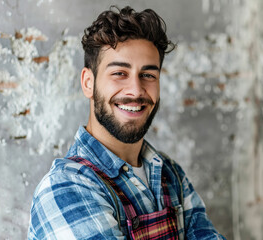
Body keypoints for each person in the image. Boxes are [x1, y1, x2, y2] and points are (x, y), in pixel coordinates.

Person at [28, 6, 226, 240]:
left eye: (148, 75)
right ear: (88, 82)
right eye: (120, 73)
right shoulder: (66, 188)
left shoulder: (170, 173)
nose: (136, 90)